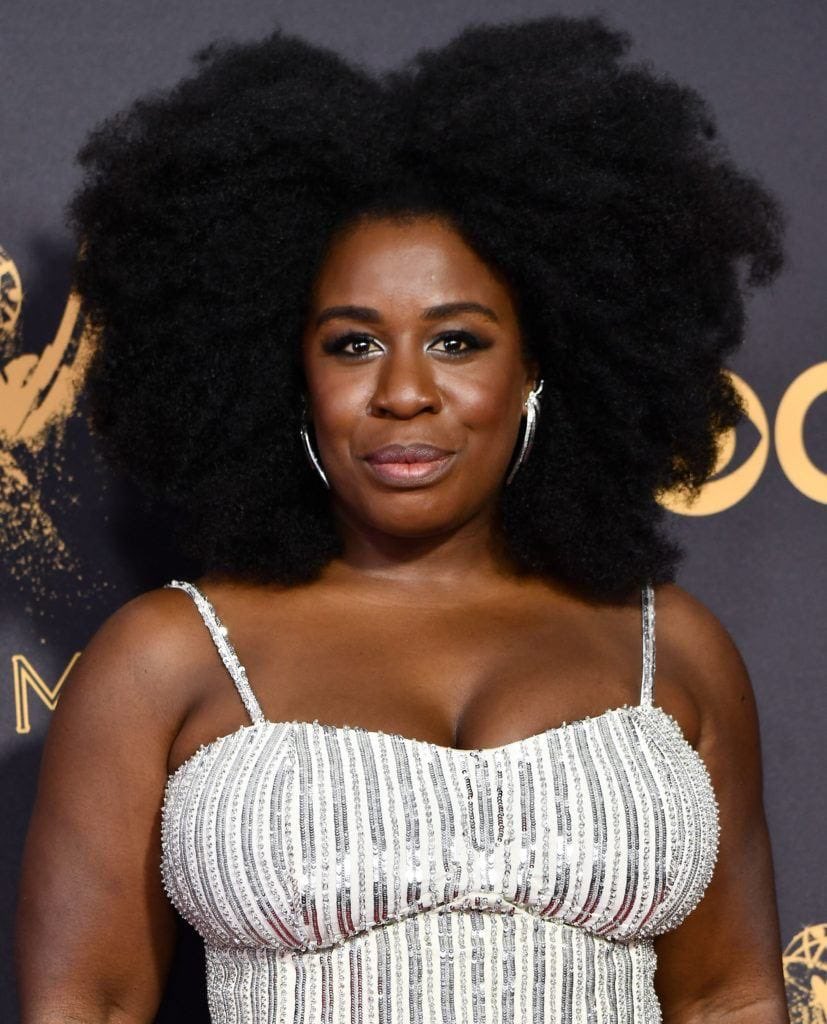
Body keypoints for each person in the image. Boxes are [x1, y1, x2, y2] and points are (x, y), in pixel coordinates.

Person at [15, 13, 790, 1023]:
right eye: (352, 345)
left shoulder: (671, 647)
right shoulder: (167, 657)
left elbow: (728, 996)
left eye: (457, 341)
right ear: (285, 374)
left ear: (538, 365)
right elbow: (90, 1004)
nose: (404, 392)